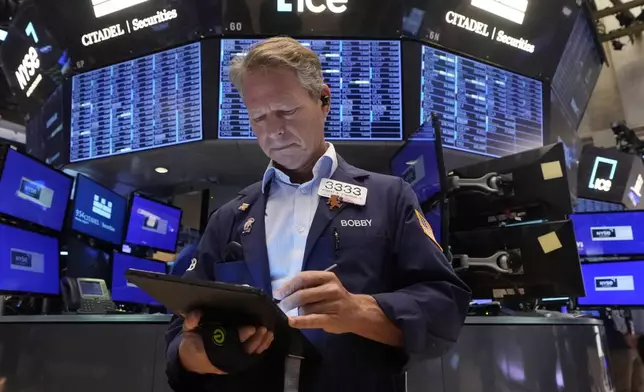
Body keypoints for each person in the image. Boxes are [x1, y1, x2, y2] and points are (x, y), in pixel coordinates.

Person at [165, 36, 471, 392]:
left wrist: (361, 312)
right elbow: (179, 333)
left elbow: (444, 304)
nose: (274, 131)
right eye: (259, 117)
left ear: (323, 100)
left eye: (287, 110)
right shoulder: (229, 217)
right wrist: (192, 355)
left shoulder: (389, 197)